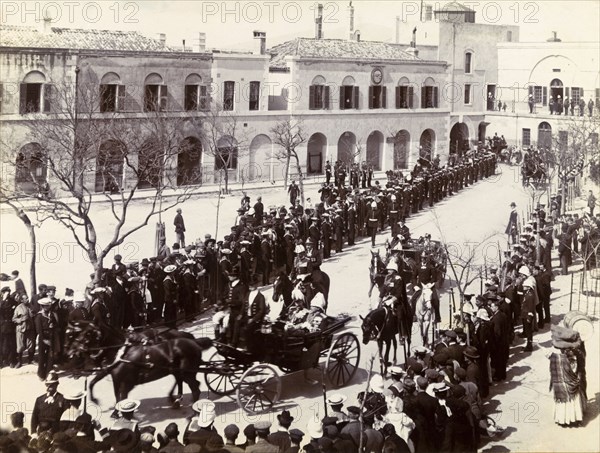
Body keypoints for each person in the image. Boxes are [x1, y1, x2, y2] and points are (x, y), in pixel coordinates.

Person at [549, 339, 586, 426]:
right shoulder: (575, 359)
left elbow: (547, 354)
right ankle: (575, 419)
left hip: (561, 387)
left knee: (563, 403)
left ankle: (562, 420)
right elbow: (577, 371)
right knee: (574, 402)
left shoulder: (557, 358)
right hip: (572, 386)